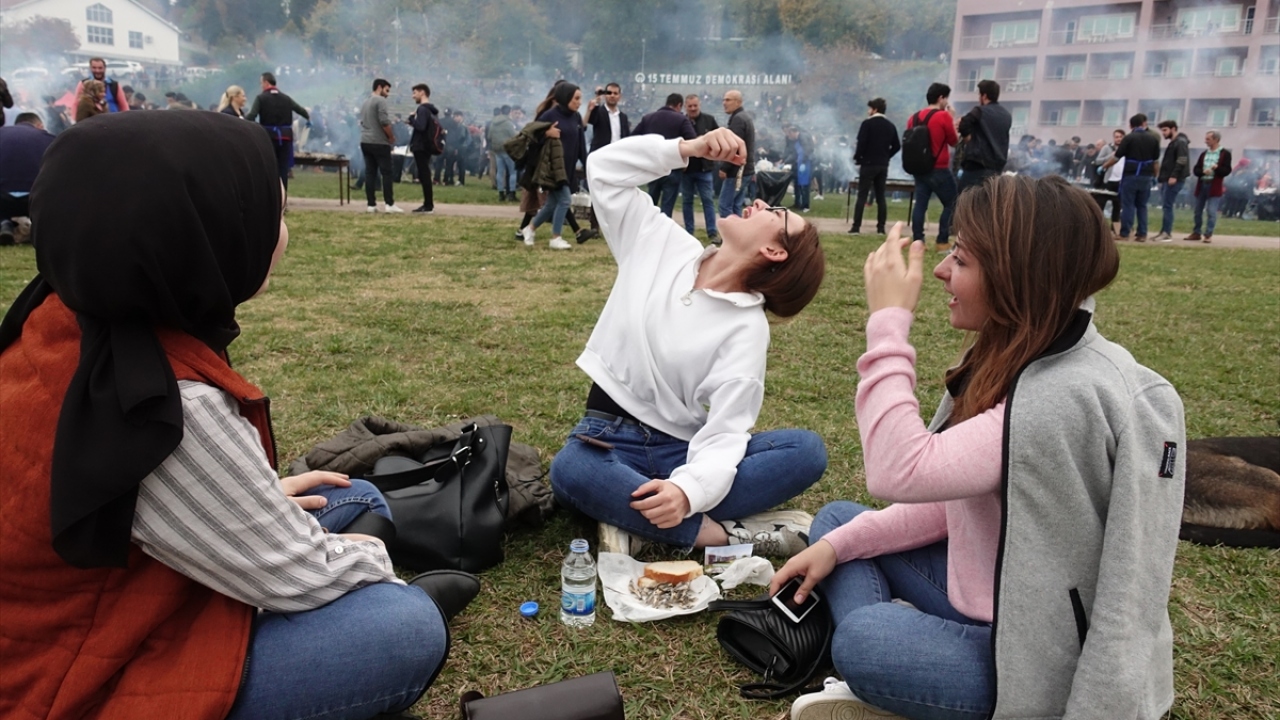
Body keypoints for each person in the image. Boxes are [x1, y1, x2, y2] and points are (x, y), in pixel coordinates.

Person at [0, 110, 479, 720]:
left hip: (91, 608)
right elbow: (297, 573)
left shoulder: (66, 316)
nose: (283, 236)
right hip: (71, 677)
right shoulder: (159, 405)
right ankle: (402, 600)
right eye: (272, 215)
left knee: (356, 494)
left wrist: (261, 500)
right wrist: (372, 564)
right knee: (401, 625)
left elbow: (122, 495)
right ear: (201, 234)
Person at [776, 175, 1185, 720]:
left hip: (1031, 661)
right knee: (836, 527)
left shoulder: (1066, 396)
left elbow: (899, 469)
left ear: (1020, 277)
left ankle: (889, 666)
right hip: (985, 593)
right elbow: (951, 504)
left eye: (963, 260)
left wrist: (888, 323)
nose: (943, 270)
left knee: (869, 639)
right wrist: (837, 548)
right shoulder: (1019, 358)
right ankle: (901, 669)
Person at [549, 129, 829, 558]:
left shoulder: (746, 328)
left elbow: (725, 433)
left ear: (775, 251)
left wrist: (686, 488)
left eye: (774, 212)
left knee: (805, 451)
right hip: (605, 438)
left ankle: (645, 518)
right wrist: (685, 149)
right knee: (571, 470)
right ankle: (716, 536)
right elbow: (603, 169)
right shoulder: (664, 244)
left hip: (678, 450)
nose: (758, 203)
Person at [521, 83, 587, 250]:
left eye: (580, 98)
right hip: (552, 168)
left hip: (568, 167)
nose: (579, 102)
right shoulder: (549, 115)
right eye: (576, 98)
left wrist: (586, 163)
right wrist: (546, 134)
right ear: (566, 98)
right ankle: (555, 237)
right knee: (565, 200)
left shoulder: (576, 117)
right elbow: (531, 137)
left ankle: (529, 229)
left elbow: (580, 143)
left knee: (551, 203)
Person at [906, 83, 959, 253]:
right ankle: (942, 241)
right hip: (939, 168)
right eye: (946, 98)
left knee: (920, 204)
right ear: (941, 98)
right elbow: (953, 141)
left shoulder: (912, 117)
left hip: (919, 168)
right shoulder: (943, 117)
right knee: (952, 203)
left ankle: (918, 241)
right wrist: (951, 119)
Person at [632, 93, 697, 217]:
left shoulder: (648, 118)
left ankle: (646, 228)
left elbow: (633, 138)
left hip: (653, 167)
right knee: (667, 207)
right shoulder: (681, 119)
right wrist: (684, 159)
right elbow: (692, 141)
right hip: (672, 168)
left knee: (651, 203)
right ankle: (662, 232)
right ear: (679, 105)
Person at [246, 72, 310, 191]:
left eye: (261, 83)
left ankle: (270, 198)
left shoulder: (261, 98)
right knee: (283, 169)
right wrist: (308, 118)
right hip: (285, 138)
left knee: (268, 168)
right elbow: (302, 111)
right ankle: (283, 199)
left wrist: (239, 122)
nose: (261, 86)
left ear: (266, 82)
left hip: (267, 138)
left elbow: (252, 115)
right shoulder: (286, 98)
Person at [1101, 113, 1160, 242]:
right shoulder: (1153, 139)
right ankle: (1142, 234)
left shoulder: (1128, 138)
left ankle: (1124, 233)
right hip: (1146, 177)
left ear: (1131, 125)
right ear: (1144, 124)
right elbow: (1156, 162)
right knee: (1142, 206)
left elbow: (1116, 157)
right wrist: (1155, 176)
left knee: (1128, 205)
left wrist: (1104, 166)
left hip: (1131, 176)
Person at [0, 112, 55, 244]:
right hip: (36, 200)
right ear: (40, 125)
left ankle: (4, 223)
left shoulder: (2, 133)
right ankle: (33, 225)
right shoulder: (50, 138)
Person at [850, 98, 900, 236]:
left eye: (870, 108)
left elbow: (861, 143)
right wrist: (886, 156)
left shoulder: (867, 124)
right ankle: (881, 228)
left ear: (875, 109)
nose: (868, 111)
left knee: (862, 195)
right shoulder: (890, 126)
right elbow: (897, 145)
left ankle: (856, 227)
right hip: (883, 165)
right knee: (880, 197)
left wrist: (858, 158)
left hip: (868, 164)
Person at [955, 79, 1011, 196]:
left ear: (984, 96)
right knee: (986, 204)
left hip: (977, 165)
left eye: (979, 94)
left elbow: (964, 123)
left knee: (963, 202)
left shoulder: (979, 111)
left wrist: (968, 139)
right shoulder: (1006, 115)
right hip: (996, 167)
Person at [359, 78, 403, 214]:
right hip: (378, 141)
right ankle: (389, 203)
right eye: (387, 90)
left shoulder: (365, 101)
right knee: (387, 173)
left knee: (370, 173)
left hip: (365, 140)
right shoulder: (380, 101)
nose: (388, 94)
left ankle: (371, 204)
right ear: (379, 87)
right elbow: (384, 121)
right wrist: (391, 137)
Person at [681, 93, 720, 239]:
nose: (692, 108)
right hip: (687, 170)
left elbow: (717, 138)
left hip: (705, 169)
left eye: (695, 105)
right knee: (687, 201)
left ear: (700, 105)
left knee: (708, 201)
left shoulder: (709, 120)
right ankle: (689, 232)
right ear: (685, 106)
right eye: (690, 106)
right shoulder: (681, 121)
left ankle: (712, 231)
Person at [1185, 130, 1232, 243]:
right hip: (1202, 184)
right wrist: (1202, 172)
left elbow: (1227, 170)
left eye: (1208, 139)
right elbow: (1196, 169)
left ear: (1216, 140)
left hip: (1214, 185)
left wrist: (1217, 169)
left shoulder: (1224, 154)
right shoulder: (1204, 154)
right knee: (1197, 210)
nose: (1206, 141)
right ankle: (1196, 232)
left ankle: (1208, 234)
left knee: (1211, 211)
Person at [718, 89, 757, 218]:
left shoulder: (738, 119)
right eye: (724, 99)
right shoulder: (744, 117)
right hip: (745, 169)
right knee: (736, 205)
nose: (724, 103)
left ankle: (730, 237)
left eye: (728, 100)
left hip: (736, 171)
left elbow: (734, 147)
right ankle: (740, 236)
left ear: (738, 102)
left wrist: (724, 167)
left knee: (725, 205)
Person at [1152, 120, 1190, 242]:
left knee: (1168, 206)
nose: (1163, 133)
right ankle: (1164, 231)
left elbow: (1182, 160)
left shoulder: (1180, 142)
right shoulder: (1175, 142)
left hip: (1174, 179)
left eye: (1165, 130)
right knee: (1166, 205)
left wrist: (1174, 176)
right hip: (1168, 179)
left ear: (1173, 129)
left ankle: (1166, 232)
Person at [408, 83, 441, 213]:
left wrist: (411, 119)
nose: (413, 96)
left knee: (424, 175)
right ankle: (428, 204)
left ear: (422, 93)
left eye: (414, 93)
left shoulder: (422, 109)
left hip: (421, 145)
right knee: (425, 174)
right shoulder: (432, 110)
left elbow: (421, 127)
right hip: (427, 145)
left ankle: (428, 205)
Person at [585, 82, 630, 153]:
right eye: (609, 93)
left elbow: (626, 137)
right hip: (601, 153)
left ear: (619, 96)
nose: (612, 95)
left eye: (615, 93)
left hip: (618, 154)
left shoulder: (623, 117)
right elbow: (591, 119)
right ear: (605, 95)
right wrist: (597, 101)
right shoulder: (598, 111)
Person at [487, 104, 518, 202]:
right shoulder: (508, 123)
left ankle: (501, 193)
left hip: (497, 149)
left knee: (500, 172)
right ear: (509, 112)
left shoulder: (493, 122)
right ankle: (512, 194)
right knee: (513, 172)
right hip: (507, 149)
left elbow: (489, 136)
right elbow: (514, 135)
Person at [782, 125, 816, 212]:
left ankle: (806, 206)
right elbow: (794, 153)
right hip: (800, 163)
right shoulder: (797, 140)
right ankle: (800, 204)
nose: (789, 137)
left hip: (805, 164)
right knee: (800, 184)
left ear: (793, 133)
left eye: (789, 135)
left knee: (805, 185)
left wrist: (803, 161)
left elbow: (807, 150)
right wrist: (786, 161)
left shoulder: (802, 137)